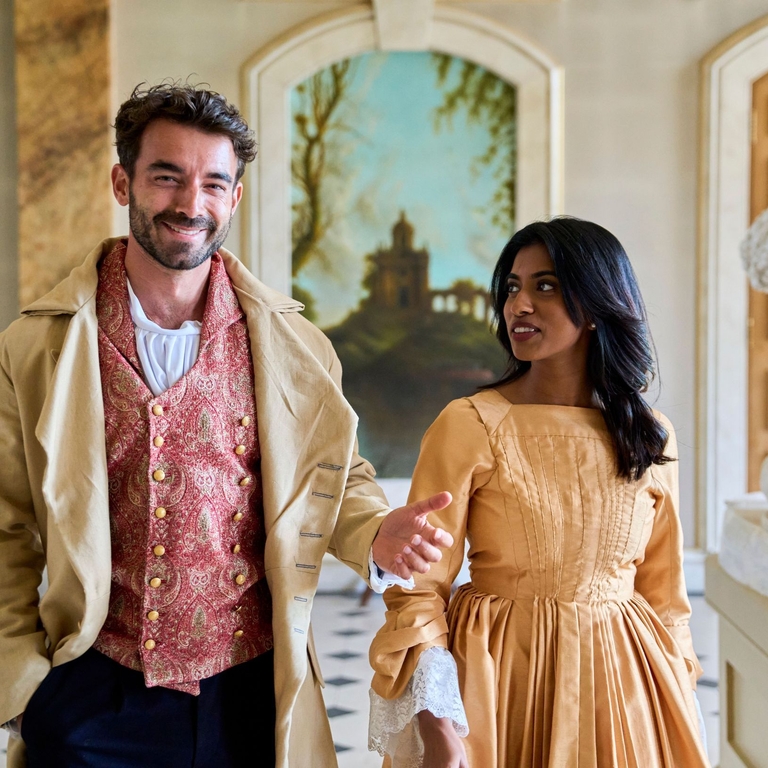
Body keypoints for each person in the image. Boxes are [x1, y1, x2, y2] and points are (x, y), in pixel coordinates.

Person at [0, 83, 455, 768]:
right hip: (91, 694)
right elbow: (5, 525)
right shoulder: (35, 347)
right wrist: (24, 688)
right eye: (167, 176)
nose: (192, 203)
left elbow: (335, 479)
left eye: (214, 183)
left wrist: (373, 532)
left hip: (248, 695)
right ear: (123, 183)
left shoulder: (296, 344)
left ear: (235, 197)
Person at [368, 218, 710, 768]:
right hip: (498, 685)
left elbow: (666, 596)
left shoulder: (649, 434)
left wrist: (680, 700)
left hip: (626, 688)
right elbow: (417, 588)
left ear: (597, 304)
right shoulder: (470, 423)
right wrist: (438, 726)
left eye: (545, 286)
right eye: (512, 287)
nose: (518, 305)